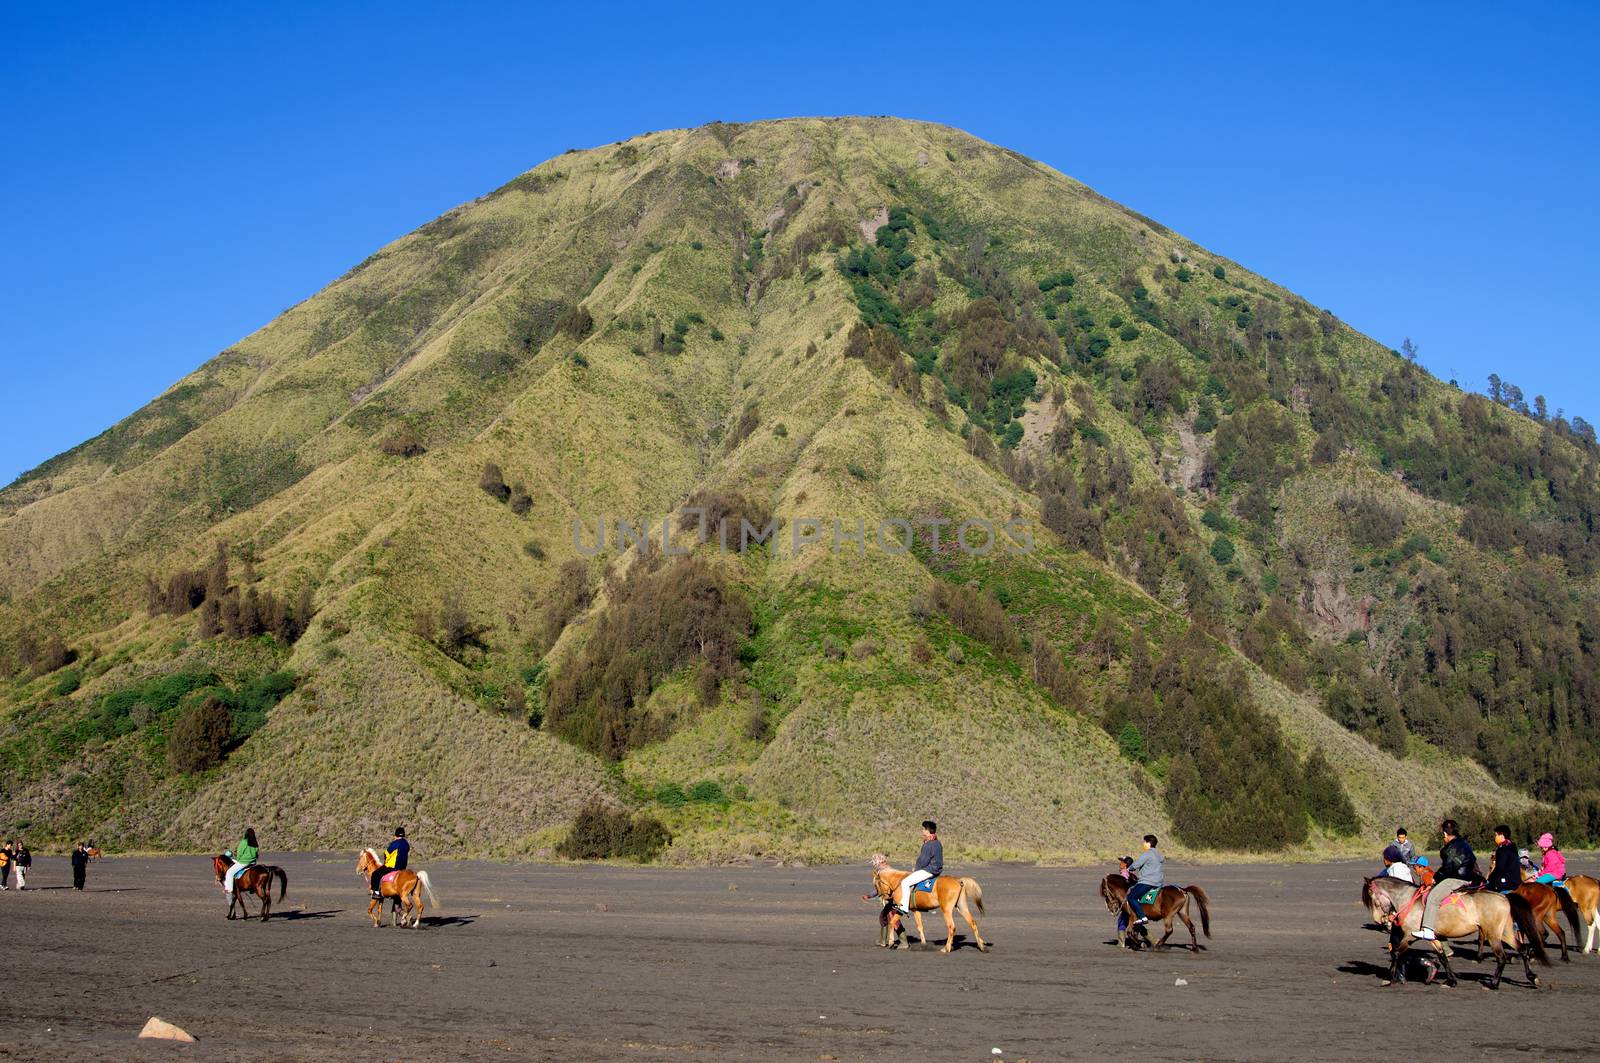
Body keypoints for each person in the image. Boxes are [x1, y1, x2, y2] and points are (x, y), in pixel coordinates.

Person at [1415, 819, 1481, 941]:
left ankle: (1428, 929)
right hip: (1467, 876)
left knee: (1433, 897)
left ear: (1445, 834)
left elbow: (1449, 867)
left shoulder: (1453, 847)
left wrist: (1437, 877)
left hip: (1457, 878)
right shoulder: (1464, 844)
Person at [895, 821, 942, 915]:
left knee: (905, 882)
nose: (922, 831)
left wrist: (916, 870)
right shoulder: (937, 842)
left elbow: (923, 861)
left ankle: (903, 907)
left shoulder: (928, 844)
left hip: (929, 870)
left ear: (927, 831)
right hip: (937, 870)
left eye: (923, 829)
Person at [1126, 835, 1164, 927]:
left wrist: (1129, 868)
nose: (1143, 844)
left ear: (1148, 843)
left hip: (1147, 882)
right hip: (1159, 883)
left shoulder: (1147, 854)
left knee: (1131, 897)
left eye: (1144, 842)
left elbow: (1136, 865)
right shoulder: (1159, 855)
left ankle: (1142, 917)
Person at [371, 826, 410, 900]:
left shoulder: (395, 843)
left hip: (393, 866)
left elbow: (386, 853)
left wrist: (386, 862)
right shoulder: (406, 843)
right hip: (403, 867)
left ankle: (376, 893)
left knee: (375, 874)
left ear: (396, 835)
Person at [223, 828, 259, 895]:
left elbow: (239, 852)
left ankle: (229, 890)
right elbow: (257, 852)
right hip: (253, 862)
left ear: (246, 834)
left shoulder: (244, 842)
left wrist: (238, 860)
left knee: (229, 872)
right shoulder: (255, 842)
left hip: (244, 862)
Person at [1485, 825, 1521, 891]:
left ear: (1501, 836)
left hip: (1506, 884)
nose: (1495, 837)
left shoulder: (1503, 850)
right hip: (1515, 882)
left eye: (1496, 835)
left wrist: (1490, 879)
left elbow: (1499, 868)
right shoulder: (1512, 847)